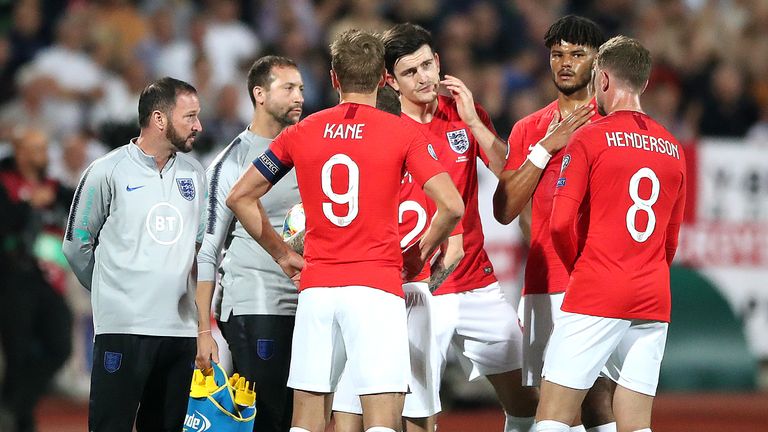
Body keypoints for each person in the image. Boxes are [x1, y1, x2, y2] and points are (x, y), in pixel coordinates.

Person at [225, 29, 464, 432]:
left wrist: (284, 254)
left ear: (334, 78)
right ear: (382, 79)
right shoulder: (402, 132)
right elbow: (452, 206)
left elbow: (240, 197)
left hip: (317, 289)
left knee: (307, 419)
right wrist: (417, 255)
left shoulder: (300, 132)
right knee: (382, 421)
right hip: (375, 288)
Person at [381, 23, 538, 432]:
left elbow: (510, 173)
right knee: (419, 415)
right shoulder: (385, 127)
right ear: (390, 81)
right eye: (411, 72)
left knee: (527, 402)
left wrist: (475, 123)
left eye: (428, 64)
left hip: (474, 281)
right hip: (417, 287)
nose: (425, 77)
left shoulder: (461, 114)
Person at [535, 36, 686, 432]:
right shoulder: (673, 147)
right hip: (652, 294)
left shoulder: (590, 136)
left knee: (552, 415)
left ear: (602, 79)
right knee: (635, 424)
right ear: (644, 84)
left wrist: (580, 269)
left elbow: (559, 222)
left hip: (598, 286)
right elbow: (670, 242)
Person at [62, 77, 206, 432]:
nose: (198, 126)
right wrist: (111, 291)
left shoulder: (196, 175)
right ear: (159, 119)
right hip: (123, 328)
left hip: (180, 331)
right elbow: (76, 244)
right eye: (189, 117)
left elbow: (201, 249)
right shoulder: (105, 171)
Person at [492, 16, 614, 432]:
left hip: (597, 282)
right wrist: (546, 148)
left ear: (598, 62)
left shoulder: (613, 126)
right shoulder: (529, 128)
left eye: (577, 55)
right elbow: (504, 209)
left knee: (599, 400)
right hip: (545, 282)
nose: (565, 63)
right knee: (550, 401)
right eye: (557, 54)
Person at [331, 85, 465, 432]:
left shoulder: (354, 167)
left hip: (361, 289)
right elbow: (455, 247)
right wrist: (418, 275)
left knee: (350, 402)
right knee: (417, 406)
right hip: (413, 297)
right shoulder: (430, 165)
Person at [195, 55, 304, 432]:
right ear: (259, 94)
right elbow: (208, 249)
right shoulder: (230, 162)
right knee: (266, 416)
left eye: (301, 88)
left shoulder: (309, 149)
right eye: (288, 88)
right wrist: (203, 330)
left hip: (309, 303)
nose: (299, 97)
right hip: (256, 302)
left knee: (299, 418)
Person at [0, 128, 73, 432]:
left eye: (44, 148)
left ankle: (13, 404)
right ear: (20, 153)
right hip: (13, 278)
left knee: (60, 345)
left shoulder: (55, 187)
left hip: (49, 279)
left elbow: (81, 202)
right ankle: (20, 419)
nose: (43, 155)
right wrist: (28, 204)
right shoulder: (4, 184)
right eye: (36, 148)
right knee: (16, 352)